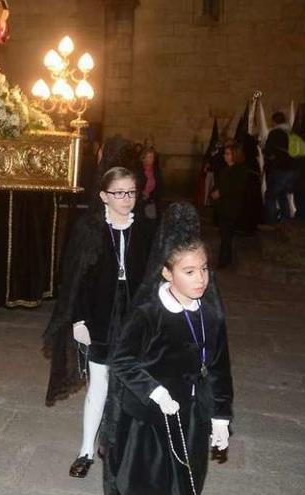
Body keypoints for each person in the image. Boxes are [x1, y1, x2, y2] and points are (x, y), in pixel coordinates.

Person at [102, 202, 233, 495]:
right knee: (147, 484)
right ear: (166, 273)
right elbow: (122, 361)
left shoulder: (211, 314)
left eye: (204, 269)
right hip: (148, 419)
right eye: (189, 271)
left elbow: (218, 369)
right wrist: (156, 392)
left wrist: (221, 416)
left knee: (185, 483)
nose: (200, 279)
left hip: (191, 418)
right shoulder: (149, 313)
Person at [43, 166, 154, 478]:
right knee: (99, 383)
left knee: (134, 384)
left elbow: (154, 276)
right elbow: (74, 278)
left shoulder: (145, 229)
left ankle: (126, 450)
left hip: (135, 315)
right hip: (100, 313)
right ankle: (86, 450)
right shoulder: (89, 228)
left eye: (131, 192)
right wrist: (78, 320)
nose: (126, 199)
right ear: (104, 195)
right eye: (118, 193)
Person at [211, 142, 249, 269]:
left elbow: (236, 188)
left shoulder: (240, 171)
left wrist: (220, 193)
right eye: (225, 154)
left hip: (231, 207)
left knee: (227, 235)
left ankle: (224, 261)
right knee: (224, 235)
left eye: (228, 154)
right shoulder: (225, 169)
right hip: (223, 207)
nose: (225, 156)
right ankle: (226, 260)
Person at [263, 111, 298, 225]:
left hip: (279, 168)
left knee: (271, 196)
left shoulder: (275, 133)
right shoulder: (292, 133)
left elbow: (268, 150)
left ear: (274, 121)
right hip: (292, 169)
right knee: (283, 195)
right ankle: (286, 221)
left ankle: (271, 221)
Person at [137, 146, 162, 220]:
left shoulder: (156, 172)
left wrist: (151, 196)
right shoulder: (138, 171)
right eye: (147, 157)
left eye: (151, 157)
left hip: (151, 202)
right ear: (143, 158)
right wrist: (142, 194)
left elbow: (160, 187)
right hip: (139, 201)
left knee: (150, 222)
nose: (149, 159)